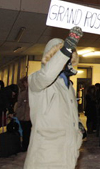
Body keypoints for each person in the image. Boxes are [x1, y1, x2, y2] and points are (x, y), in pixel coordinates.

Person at [24, 26, 84, 169]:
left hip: (67, 154)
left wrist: (77, 128)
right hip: (46, 156)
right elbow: (47, 74)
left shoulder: (68, 86)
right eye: (63, 57)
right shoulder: (37, 80)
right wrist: (67, 48)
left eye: (69, 58)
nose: (67, 62)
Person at [14, 76, 31, 151]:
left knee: (26, 131)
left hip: (25, 115)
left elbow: (19, 104)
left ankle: (25, 145)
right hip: (26, 115)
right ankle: (26, 145)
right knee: (26, 131)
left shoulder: (24, 92)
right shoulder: (25, 92)